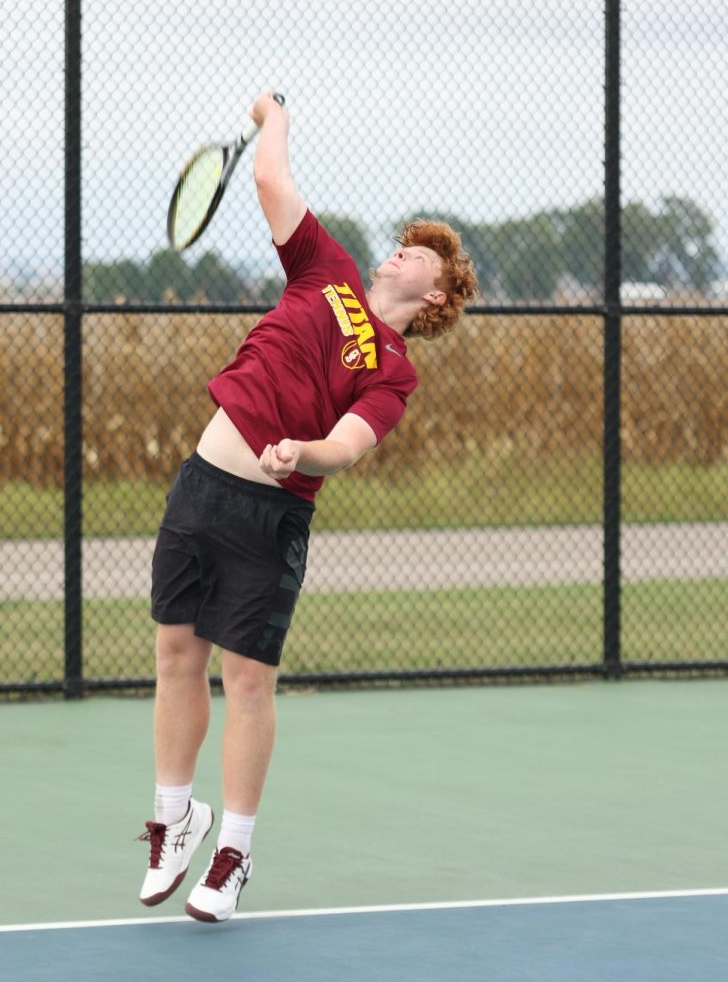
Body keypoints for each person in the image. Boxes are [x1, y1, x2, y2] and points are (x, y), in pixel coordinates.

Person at [137, 91, 478, 922]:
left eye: (416, 256)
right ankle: (174, 821)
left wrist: (305, 452)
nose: (398, 254)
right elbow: (267, 176)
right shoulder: (323, 268)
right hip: (200, 488)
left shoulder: (395, 369)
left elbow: (352, 444)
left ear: (436, 297)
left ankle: (233, 853)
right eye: (400, 246)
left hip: (271, 517)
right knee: (176, 655)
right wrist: (272, 113)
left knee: (247, 680)